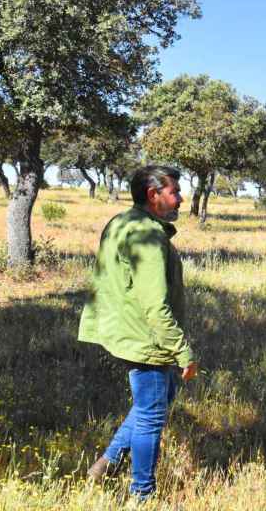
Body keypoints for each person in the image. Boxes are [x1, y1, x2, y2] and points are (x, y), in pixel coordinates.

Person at [79, 164, 198, 499]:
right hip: (146, 337)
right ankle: (142, 495)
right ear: (153, 195)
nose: (180, 198)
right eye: (174, 191)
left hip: (123, 330)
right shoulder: (148, 237)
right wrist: (182, 351)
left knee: (153, 402)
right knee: (150, 418)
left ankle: (107, 463)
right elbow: (154, 305)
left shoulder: (120, 222)